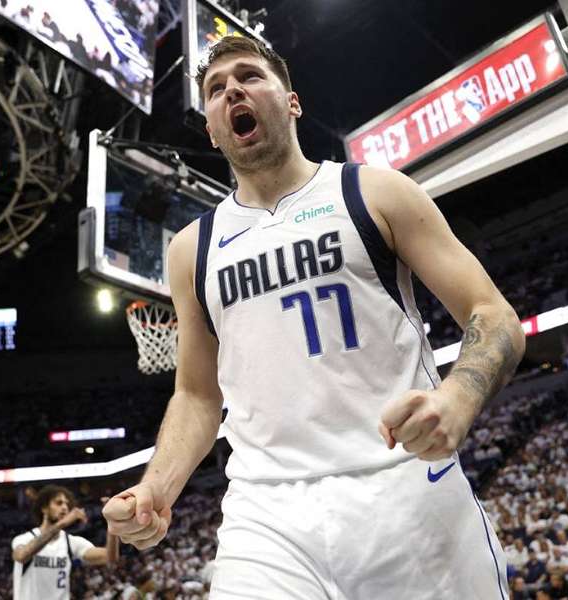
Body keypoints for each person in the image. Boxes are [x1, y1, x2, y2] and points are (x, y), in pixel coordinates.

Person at [102, 34, 525, 599]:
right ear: (210, 128)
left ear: (292, 101)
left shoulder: (373, 191)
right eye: (215, 89)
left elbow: (492, 314)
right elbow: (198, 395)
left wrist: (458, 397)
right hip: (266, 516)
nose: (232, 92)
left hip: (404, 486)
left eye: (249, 77)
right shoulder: (190, 250)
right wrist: (157, 487)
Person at [11, 485, 119, 600]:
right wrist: (61, 524)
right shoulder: (24, 539)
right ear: (44, 508)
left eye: (66, 504)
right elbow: (21, 556)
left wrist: (112, 523)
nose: (64, 507)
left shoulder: (71, 542)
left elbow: (110, 557)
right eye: (59, 503)